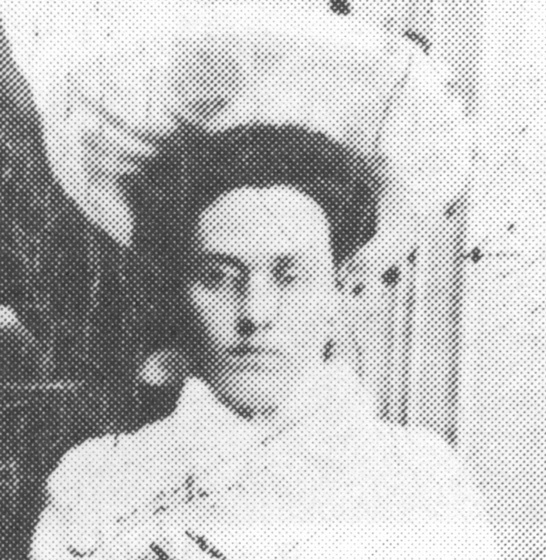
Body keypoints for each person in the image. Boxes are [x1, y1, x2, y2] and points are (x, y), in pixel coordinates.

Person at [31, 123, 497, 559]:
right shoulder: (98, 482)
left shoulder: (421, 482)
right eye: (218, 277)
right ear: (180, 297)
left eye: (290, 277)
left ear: (338, 295)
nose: (255, 313)